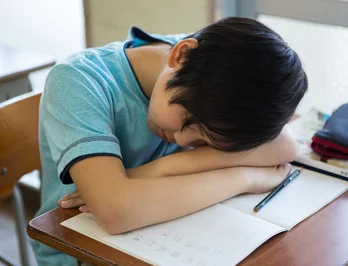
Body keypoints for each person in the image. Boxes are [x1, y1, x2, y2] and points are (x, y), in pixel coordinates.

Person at [31, 17, 308, 265]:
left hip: (161, 231)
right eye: (189, 120)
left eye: (206, 139)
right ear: (180, 55)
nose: (184, 138)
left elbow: (284, 147)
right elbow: (115, 212)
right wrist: (244, 179)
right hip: (78, 247)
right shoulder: (80, 81)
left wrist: (150, 172)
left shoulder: (211, 67)